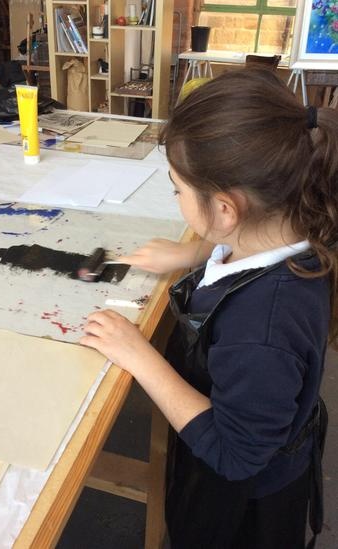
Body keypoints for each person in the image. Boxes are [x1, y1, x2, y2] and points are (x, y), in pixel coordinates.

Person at [81, 68, 338, 549]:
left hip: (242, 506)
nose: (177, 198)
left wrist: (140, 355)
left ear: (225, 209)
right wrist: (194, 252)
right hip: (249, 445)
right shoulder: (302, 226)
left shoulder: (261, 328)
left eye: (178, 189)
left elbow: (236, 454)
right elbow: (250, 246)